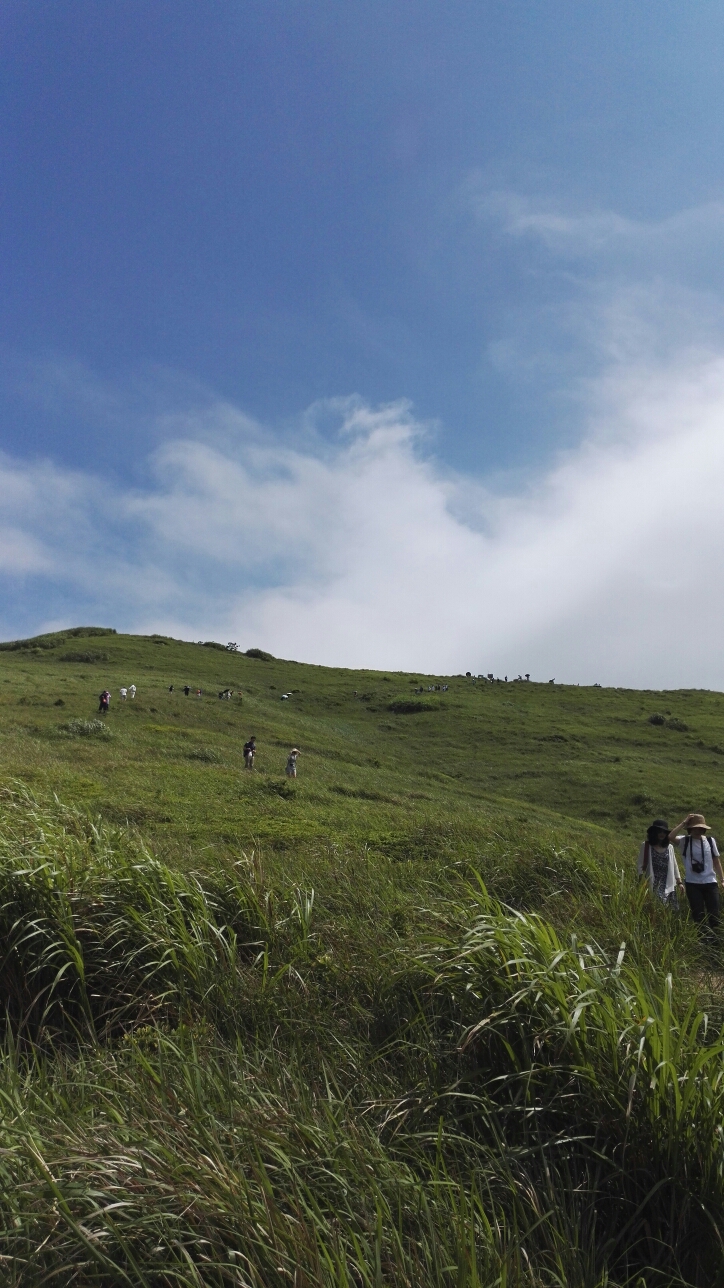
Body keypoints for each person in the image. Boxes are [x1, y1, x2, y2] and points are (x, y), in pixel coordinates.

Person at [668, 812, 724, 939]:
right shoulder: (684, 841)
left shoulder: (710, 841)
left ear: (704, 829)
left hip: (710, 882)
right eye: (695, 827)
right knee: (698, 915)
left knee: (714, 914)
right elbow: (671, 836)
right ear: (690, 828)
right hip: (693, 884)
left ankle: (716, 941)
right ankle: (703, 941)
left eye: (700, 828)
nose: (697, 830)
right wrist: (683, 822)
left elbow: (716, 861)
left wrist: (722, 879)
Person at [638, 819, 683, 906]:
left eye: (664, 832)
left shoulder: (670, 847)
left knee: (670, 909)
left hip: (668, 882)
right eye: (659, 831)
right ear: (654, 833)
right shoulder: (646, 845)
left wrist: (679, 882)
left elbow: (674, 865)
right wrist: (642, 882)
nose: (662, 834)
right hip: (653, 882)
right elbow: (640, 865)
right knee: (656, 906)